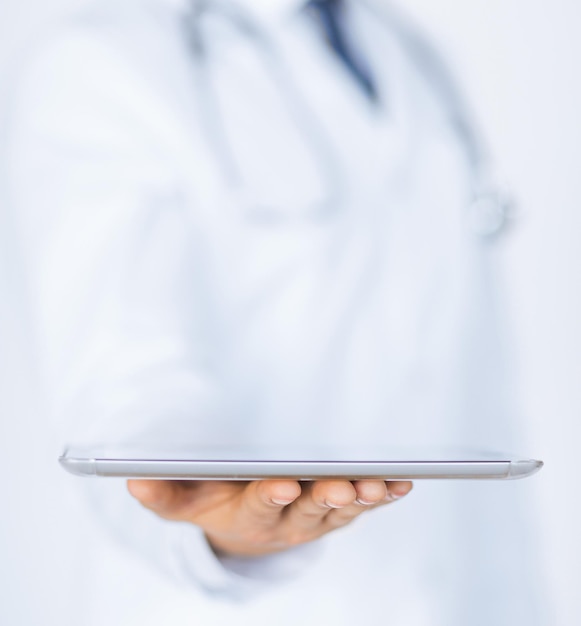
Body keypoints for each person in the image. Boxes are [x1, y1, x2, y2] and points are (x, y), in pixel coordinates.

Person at [6, 0, 542, 624]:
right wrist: (216, 513)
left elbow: (462, 373)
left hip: (472, 596)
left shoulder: (409, 52)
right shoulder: (100, 65)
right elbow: (124, 376)